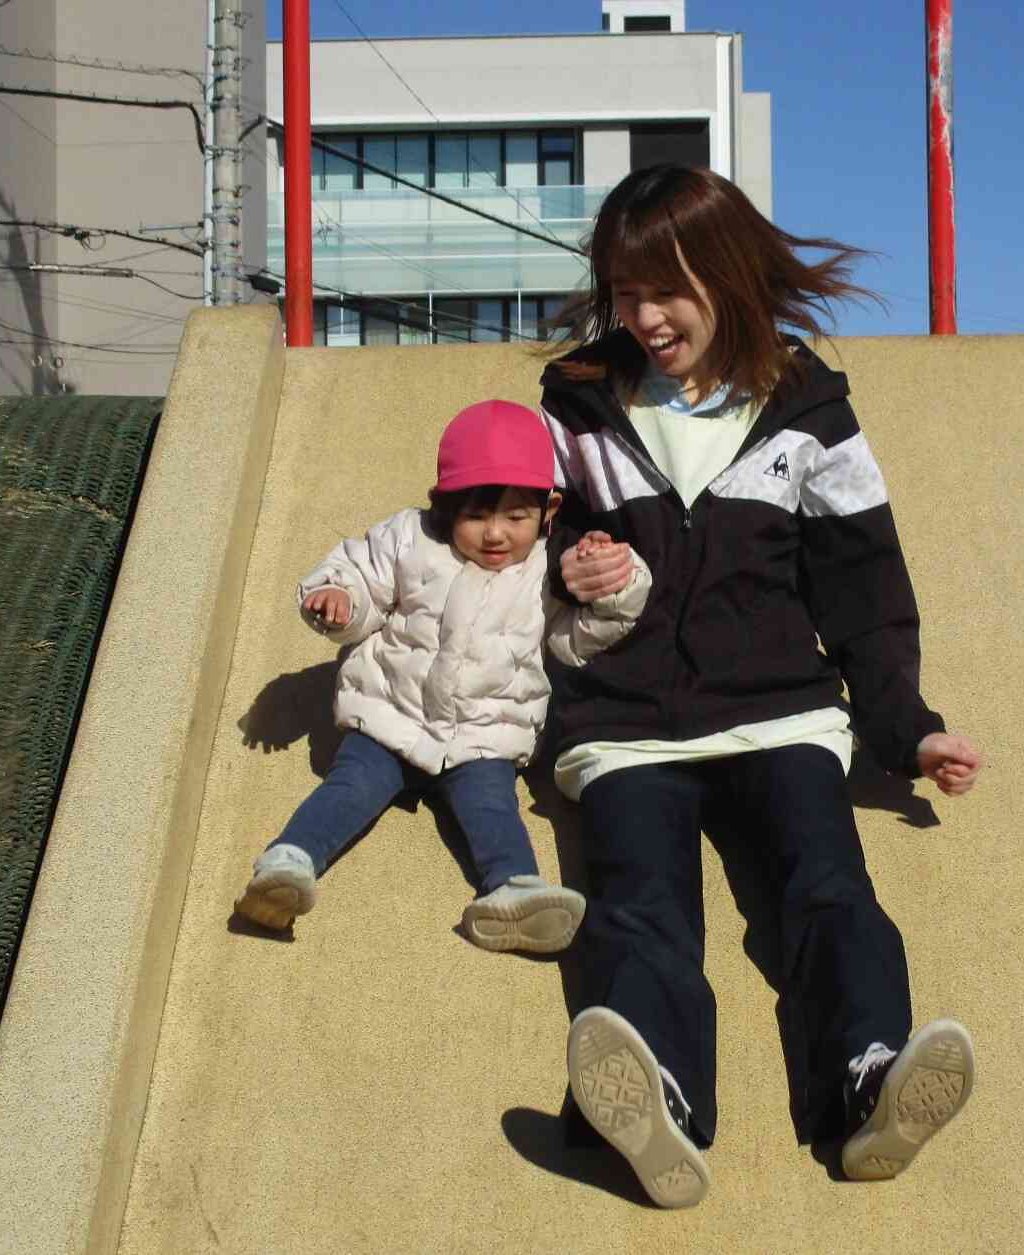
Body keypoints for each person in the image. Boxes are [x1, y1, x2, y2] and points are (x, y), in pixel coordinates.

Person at [536, 164, 982, 1208]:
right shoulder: (577, 405)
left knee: (828, 888)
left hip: (780, 714)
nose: (644, 318)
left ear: (728, 276)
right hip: (628, 725)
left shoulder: (807, 409)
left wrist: (905, 728)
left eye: (666, 292)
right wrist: (567, 564)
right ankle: (657, 1102)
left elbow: (863, 585)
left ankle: (868, 1079)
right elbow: (512, 536)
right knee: (639, 905)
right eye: (625, 293)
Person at [234, 399, 651, 955]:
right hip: (391, 715)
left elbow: (575, 643)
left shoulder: (550, 567)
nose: (495, 534)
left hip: (483, 733)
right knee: (350, 786)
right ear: (444, 505)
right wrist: (337, 597)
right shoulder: (411, 538)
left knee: (492, 807)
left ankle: (513, 891)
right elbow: (359, 574)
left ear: (548, 508)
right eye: (476, 516)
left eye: (516, 517)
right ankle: (288, 864)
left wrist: (615, 590)